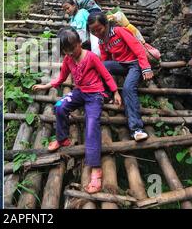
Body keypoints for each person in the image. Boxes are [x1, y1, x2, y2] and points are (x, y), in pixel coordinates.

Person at [33, 29, 122, 194]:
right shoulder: (68, 59)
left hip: (95, 94)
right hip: (79, 92)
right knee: (59, 106)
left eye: (72, 48)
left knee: (92, 124)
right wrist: (46, 85)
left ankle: (95, 168)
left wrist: (115, 92)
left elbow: (107, 76)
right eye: (66, 50)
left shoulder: (91, 57)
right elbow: (61, 78)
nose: (70, 53)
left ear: (79, 43)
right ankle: (62, 139)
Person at [87, 12, 154, 142]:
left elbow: (138, 48)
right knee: (100, 65)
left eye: (99, 29)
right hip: (122, 65)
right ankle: (106, 94)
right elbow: (105, 60)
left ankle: (136, 129)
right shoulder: (102, 40)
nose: (97, 33)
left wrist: (146, 67)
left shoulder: (119, 31)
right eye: (93, 31)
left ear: (106, 25)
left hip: (135, 64)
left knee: (128, 88)